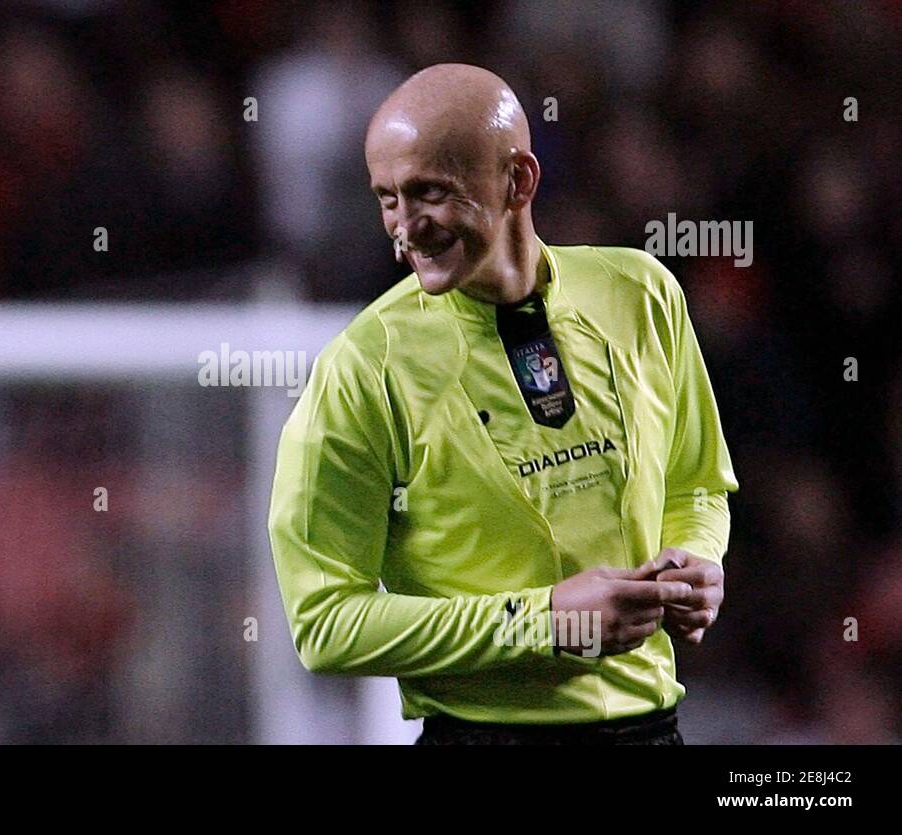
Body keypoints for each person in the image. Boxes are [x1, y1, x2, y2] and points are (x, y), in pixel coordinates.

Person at [266, 64, 738, 745]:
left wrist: (696, 560)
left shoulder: (642, 295)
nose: (404, 227)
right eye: (387, 198)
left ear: (518, 181)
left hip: (653, 726)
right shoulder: (362, 368)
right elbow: (324, 623)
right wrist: (545, 620)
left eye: (429, 193)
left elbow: (696, 483)